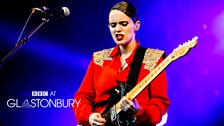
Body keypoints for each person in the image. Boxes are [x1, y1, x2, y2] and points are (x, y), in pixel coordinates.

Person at [73, 1, 170, 126]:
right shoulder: (99, 59)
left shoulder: (154, 58)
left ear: (136, 25)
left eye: (123, 24)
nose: (117, 29)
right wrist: (89, 116)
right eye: (113, 25)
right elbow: (80, 98)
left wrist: (138, 112)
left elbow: (160, 103)